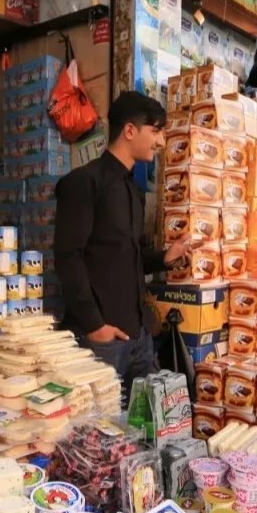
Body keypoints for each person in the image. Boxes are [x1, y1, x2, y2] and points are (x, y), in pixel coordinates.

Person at [53, 91, 191, 391]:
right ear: (129, 131)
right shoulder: (84, 182)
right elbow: (67, 257)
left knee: (148, 416)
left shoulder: (133, 191)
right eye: (155, 131)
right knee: (101, 420)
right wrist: (95, 326)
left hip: (138, 335)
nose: (161, 141)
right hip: (102, 339)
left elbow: (128, 255)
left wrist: (164, 258)